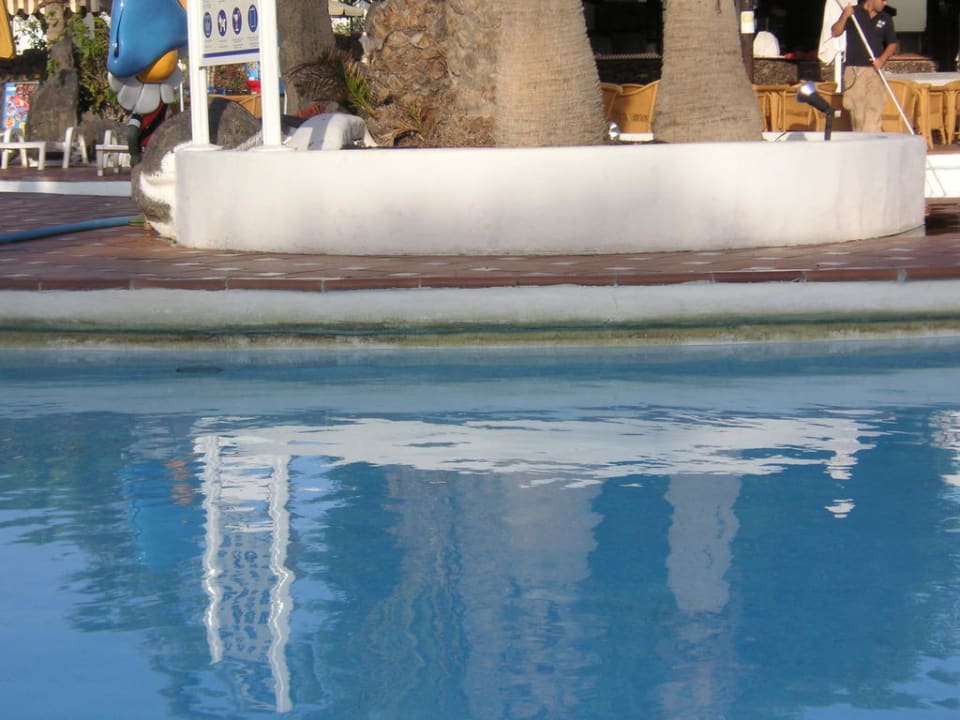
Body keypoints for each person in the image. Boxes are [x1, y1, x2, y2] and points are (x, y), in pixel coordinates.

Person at [831, 0, 898, 132]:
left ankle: (873, 139)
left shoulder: (885, 18)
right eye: (883, 0)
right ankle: (861, 139)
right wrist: (844, 16)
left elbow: (892, 44)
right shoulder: (853, 13)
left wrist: (882, 60)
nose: (885, 3)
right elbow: (835, 32)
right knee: (858, 113)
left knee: (874, 109)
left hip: (875, 71)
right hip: (855, 70)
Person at [126, 100, 167, 167]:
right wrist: (134, 154)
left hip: (158, 152)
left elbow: (132, 133)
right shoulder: (140, 108)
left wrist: (134, 154)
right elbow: (132, 133)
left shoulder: (167, 105)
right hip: (149, 153)